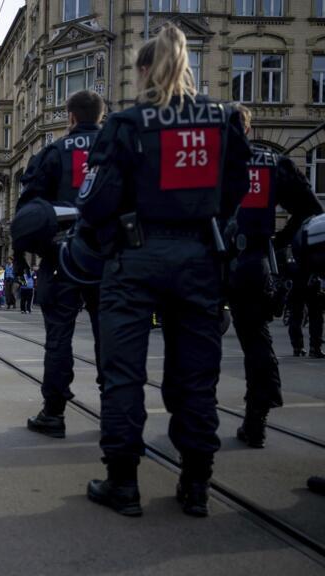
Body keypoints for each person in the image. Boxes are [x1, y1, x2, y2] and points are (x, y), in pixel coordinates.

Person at [77, 24, 251, 518]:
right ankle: (196, 482)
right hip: (199, 257)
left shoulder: (128, 124)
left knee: (124, 373)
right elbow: (235, 187)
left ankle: (123, 483)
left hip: (135, 257)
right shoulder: (221, 121)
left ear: (145, 70)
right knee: (196, 375)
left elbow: (96, 200)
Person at [230, 105, 323, 448]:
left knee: (196, 344)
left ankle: (195, 423)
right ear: (249, 131)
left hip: (208, 265)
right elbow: (311, 210)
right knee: (257, 342)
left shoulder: (206, 163)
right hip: (253, 263)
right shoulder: (271, 163)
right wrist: (282, 244)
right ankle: (257, 421)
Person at [17, 90, 106, 439]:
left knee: (58, 339)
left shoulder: (52, 153)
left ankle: (53, 413)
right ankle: (115, 411)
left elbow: (28, 210)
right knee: (110, 339)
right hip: (106, 257)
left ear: (70, 117)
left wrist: (25, 252)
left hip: (61, 257)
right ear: (102, 116)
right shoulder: (117, 151)